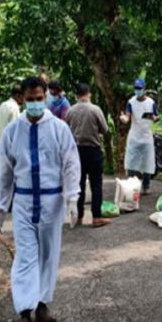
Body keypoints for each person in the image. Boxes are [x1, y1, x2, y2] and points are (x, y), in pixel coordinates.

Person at [0, 76, 81, 322]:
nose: (34, 103)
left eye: (39, 99)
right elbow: (4, 170)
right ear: (22, 99)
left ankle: (42, 305)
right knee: (25, 256)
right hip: (23, 202)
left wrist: (72, 198)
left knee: (48, 255)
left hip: (51, 201)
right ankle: (24, 313)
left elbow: (70, 164)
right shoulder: (13, 131)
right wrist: (0, 204)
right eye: (29, 99)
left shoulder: (59, 128)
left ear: (46, 97)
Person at [66, 82, 111, 228]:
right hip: (93, 150)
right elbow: (104, 129)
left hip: (76, 151)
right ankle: (96, 217)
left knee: (78, 184)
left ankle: (78, 216)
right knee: (96, 184)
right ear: (88, 93)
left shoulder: (70, 111)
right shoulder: (95, 109)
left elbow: (66, 130)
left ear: (77, 95)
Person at [119, 78, 157, 195]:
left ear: (144, 89)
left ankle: (146, 185)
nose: (137, 91)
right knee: (131, 161)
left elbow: (155, 116)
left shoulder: (151, 103)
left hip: (146, 136)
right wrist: (124, 119)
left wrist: (154, 118)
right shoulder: (131, 102)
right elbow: (127, 116)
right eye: (136, 88)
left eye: (139, 88)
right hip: (135, 136)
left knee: (147, 162)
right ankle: (131, 185)